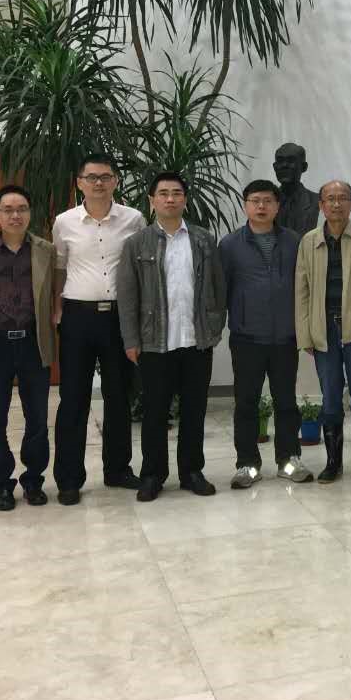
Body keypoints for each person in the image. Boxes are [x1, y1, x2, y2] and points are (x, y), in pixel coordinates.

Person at [118, 172, 227, 502]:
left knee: (194, 411)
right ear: (151, 201)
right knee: (154, 412)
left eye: (176, 193)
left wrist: (214, 327)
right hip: (155, 342)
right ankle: (153, 474)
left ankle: (192, 472)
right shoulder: (137, 243)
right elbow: (128, 295)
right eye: (163, 193)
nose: (170, 199)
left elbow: (218, 287)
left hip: (196, 341)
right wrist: (131, 339)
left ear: (185, 199)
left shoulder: (203, 240)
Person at [51, 153, 146, 506]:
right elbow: (59, 267)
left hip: (120, 317)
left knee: (119, 396)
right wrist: (57, 310)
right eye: (91, 177)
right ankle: (69, 479)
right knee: (73, 398)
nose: (98, 183)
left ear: (116, 181)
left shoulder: (134, 219)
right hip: (78, 316)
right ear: (79, 183)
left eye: (105, 177)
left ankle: (118, 469)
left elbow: (140, 268)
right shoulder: (64, 223)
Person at [0, 185, 57, 511]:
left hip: (34, 343)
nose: (15, 215)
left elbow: (56, 291)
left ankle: (33, 480)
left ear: (30, 213)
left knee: (37, 419)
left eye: (21, 209)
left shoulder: (46, 250)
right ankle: (1, 485)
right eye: (8, 209)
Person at [220, 180, 312, 488]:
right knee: (246, 403)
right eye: (255, 200)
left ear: (277, 206)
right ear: (245, 205)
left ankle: (289, 459)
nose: (261, 206)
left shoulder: (294, 242)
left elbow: (304, 287)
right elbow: (223, 291)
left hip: (285, 337)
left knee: (286, 402)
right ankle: (247, 464)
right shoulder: (230, 245)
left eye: (268, 201)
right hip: (247, 337)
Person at [295, 180, 351, 483]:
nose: (336, 204)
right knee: (330, 397)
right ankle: (333, 462)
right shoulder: (309, 241)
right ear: (321, 205)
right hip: (323, 330)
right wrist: (305, 333)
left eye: (342, 198)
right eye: (330, 199)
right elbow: (302, 291)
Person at [273, 142, 321, 235]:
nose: (284, 165)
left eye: (291, 161)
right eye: (280, 161)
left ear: (304, 167)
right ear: (275, 167)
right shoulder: (265, 203)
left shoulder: (317, 201)